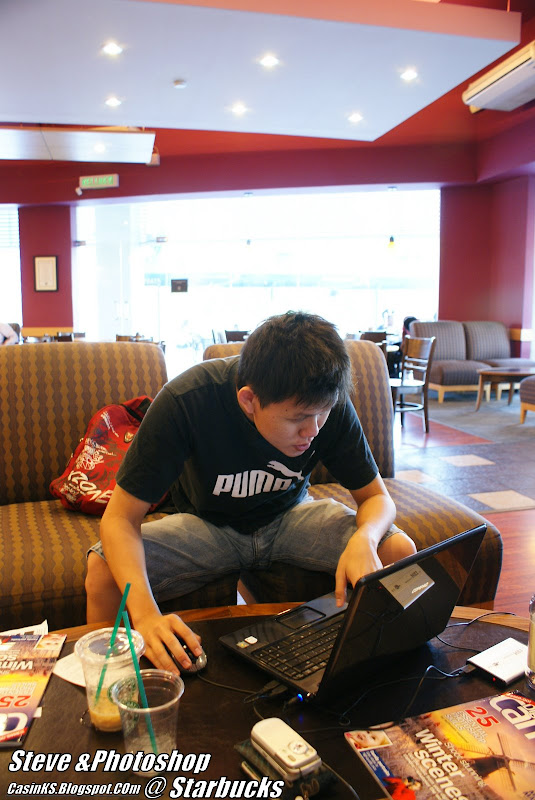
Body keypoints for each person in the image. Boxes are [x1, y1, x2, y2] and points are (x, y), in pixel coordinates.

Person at [85, 311, 416, 673]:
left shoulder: (325, 400)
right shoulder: (187, 401)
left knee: (397, 551)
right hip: (210, 526)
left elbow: (377, 498)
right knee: (102, 570)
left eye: (322, 414)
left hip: (291, 516)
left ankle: (372, 674)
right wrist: (146, 616)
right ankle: (109, 684)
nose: (313, 431)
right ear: (248, 401)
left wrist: (366, 537)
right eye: (297, 419)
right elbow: (119, 519)